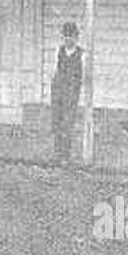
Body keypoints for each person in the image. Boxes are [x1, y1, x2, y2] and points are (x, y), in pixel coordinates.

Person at [51, 21, 83, 165]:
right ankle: (57, 154)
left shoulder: (82, 54)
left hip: (72, 93)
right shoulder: (58, 51)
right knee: (57, 122)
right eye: (65, 36)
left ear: (76, 37)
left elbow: (84, 77)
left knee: (68, 124)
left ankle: (66, 156)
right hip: (58, 91)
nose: (68, 39)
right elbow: (54, 72)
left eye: (71, 36)